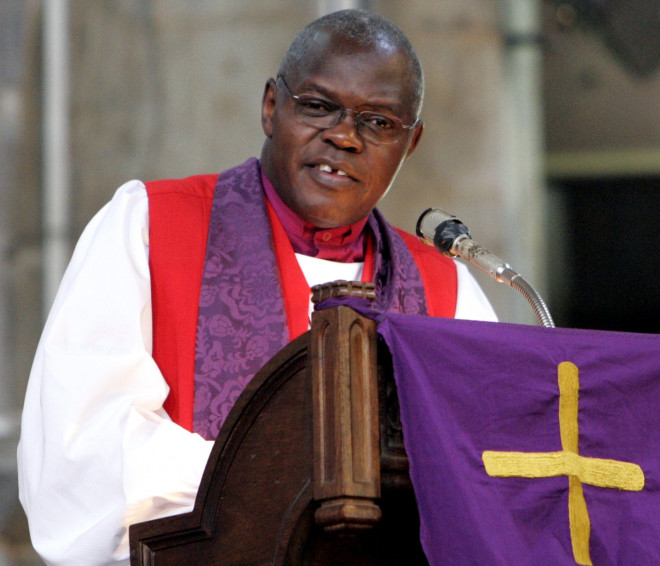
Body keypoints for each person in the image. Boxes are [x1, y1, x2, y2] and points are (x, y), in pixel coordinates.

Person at [17, 8, 497, 565]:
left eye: (378, 122)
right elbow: (80, 453)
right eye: (319, 107)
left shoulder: (447, 289)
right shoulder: (151, 228)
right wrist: (291, 481)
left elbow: (491, 477)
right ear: (272, 107)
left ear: (409, 145)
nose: (344, 136)